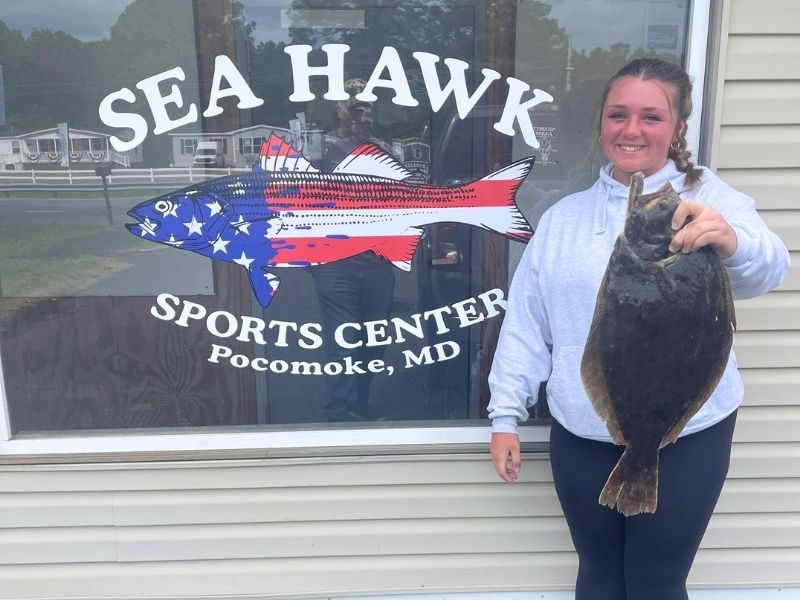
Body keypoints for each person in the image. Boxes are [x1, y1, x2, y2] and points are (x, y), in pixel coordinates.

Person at [487, 58, 790, 600]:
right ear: (602, 124)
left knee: (655, 582)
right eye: (618, 115)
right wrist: (506, 413)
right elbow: (529, 321)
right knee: (599, 575)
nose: (632, 130)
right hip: (583, 430)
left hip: (687, 431)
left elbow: (767, 269)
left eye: (651, 117)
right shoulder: (565, 218)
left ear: (677, 127)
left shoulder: (710, 202)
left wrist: (731, 241)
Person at [312, 78, 396, 422]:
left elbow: (396, 195)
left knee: (374, 338)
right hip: (335, 260)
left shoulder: (384, 149)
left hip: (376, 260)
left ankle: (359, 404)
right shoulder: (322, 149)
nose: (359, 114)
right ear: (340, 109)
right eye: (352, 106)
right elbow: (304, 199)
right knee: (342, 339)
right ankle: (338, 413)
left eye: (364, 107)